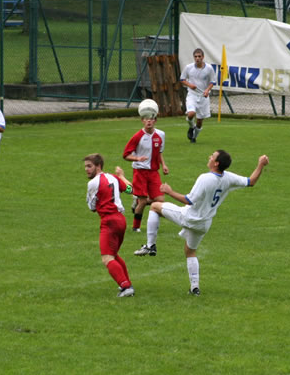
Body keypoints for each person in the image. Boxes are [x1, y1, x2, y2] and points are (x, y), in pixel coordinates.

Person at [134, 150, 269, 295]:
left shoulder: (205, 178)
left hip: (189, 217)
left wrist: (169, 191)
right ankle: (194, 288)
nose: (209, 157)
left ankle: (150, 246)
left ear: (216, 163)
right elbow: (251, 181)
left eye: (212, 156)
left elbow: (189, 200)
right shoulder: (228, 177)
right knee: (190, 251)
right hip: (204, 224)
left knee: (154, 207)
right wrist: (261, 164)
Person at [84, 154, 136, 298]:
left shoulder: (93, 183)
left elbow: (92, 207)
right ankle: (126, 283)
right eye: (85, 167)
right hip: (121, 220)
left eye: (89, 166)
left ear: (98, 166)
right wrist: (122, 176)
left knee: (107, 258)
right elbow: (130, 190)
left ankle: (126, 287)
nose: (86, 170)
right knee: (113, 255)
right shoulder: (113, 177)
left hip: (109, 221)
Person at [123, 110, 169, 233]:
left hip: (154, 172)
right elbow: (125, 155)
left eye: (151, 119)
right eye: (146, 119)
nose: (149, 121)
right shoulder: (137, 136)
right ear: (142, 121)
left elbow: (159, 152)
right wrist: (137, 158)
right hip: (140, 171)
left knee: (160, 200)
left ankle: (137, 201)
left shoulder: (160, 136)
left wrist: (163, 165)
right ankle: (135, 227)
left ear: (155, 121)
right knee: (143, 201)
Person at [179, 48, 217, 144]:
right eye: (195, 56)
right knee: (191, 114)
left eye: (199, 56)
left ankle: (193, 138)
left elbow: (213, 81)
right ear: (193, 57)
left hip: (203, 97)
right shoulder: (188, 67)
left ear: (203, 57)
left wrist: (207, 90)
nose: (197, 58)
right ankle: (191, 127)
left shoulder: (209, 68)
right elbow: (182, 79)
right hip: (192, 95)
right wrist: (189, 85)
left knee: (199, 122)